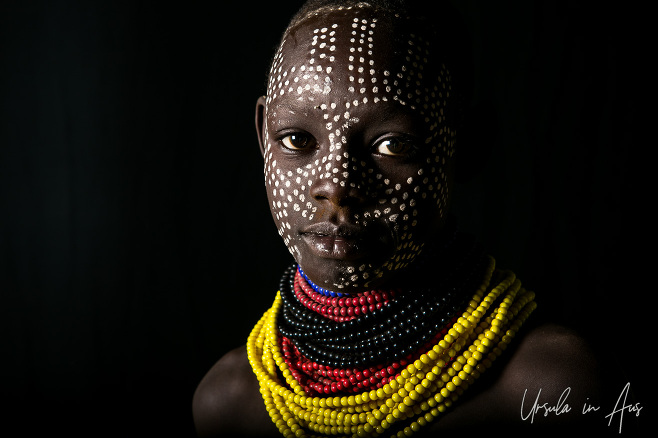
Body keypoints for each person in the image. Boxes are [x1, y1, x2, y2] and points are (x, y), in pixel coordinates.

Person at [193, 1, 626, 436]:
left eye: (393, 145)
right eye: (297, 139)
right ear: (262, 134)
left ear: (468, 146)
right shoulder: (230, 403)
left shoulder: (551, 391)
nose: (337, 186)